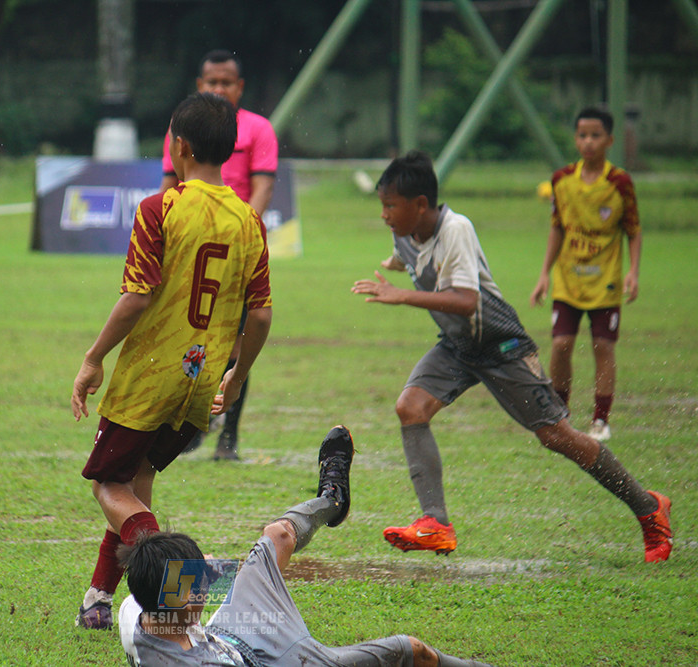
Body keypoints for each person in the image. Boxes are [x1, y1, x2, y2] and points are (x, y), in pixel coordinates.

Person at [351, 151, 672, 563]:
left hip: (500, 345)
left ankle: (649, 509)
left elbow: (467, 302)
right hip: (458, 346)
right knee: (410, 407)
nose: (384, 215)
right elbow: (408, 257)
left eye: (390, 206)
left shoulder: (457, 229)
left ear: (421, 205)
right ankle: (436, 524)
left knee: (556, 436)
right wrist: (394, 264)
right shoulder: (403, 233)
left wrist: (401, 295)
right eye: (382, 205)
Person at [71, 91, 273, 630]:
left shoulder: (159, 208)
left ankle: (181, 573)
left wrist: (93, 359)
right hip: (198, 381)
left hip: (149, 376)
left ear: (178, 146)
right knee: (136, 479)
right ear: (228, 151)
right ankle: (97, 600)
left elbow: (137, 297)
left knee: (107, 486)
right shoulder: (249, 222)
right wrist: (236, 374)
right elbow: (259, 317)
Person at [117, 425, 496, 666]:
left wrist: (201, 568)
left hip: (231, 631)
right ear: (181, 600)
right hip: (278, 661)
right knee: (408, 650)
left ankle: (332, 500)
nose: (210, 580)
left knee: (276, 536)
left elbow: (170, 586)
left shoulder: (141, 607)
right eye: (199, 583)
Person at [160, 49, 279, 461]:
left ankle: (228, 433)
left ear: (239, 87)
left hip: (237, 249)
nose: (218, 89)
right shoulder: (182, 127)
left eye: (226, 82)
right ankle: (193, 425)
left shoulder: (258, 129)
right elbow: (169, 188)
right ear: (199, 85)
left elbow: (262, 187)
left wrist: (243, 234)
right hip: (194, 248)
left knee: (236, 340)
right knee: (192, 335)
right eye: (212, 82)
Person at [530, 106, 642, 443]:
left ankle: (600, 419)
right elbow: (557, 229)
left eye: (595, 136)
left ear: (609, 140)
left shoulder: (620, 182)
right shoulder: (562, 180)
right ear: (576, 140)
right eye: (582, 135)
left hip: (605, 280)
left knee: (602, 346)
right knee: (561, 344)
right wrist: (543, 275)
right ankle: (560, 415)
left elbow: (633, 230)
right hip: (568, 278)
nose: (588, 142)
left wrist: (633, 271)